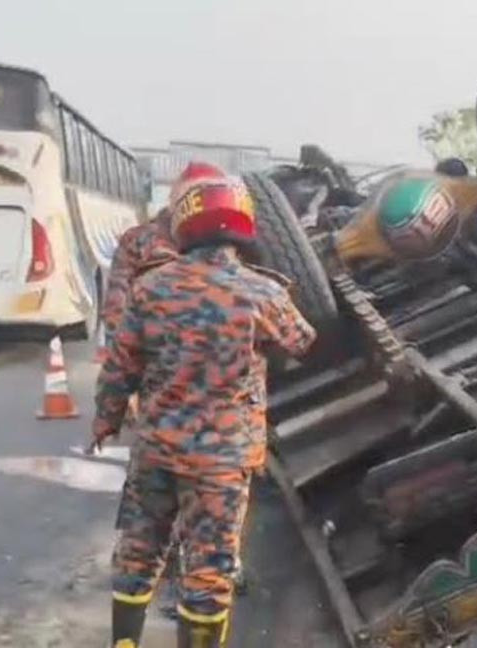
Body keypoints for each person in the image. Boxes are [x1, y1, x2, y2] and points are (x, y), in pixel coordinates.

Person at [90, 164, 316, 647]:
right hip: (222, 462)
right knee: (209, 570)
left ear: (185, 223)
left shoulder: (150, 287)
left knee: (138, 552)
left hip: (156, 450)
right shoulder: (263, 292)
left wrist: (105, 421)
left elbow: (119, 368)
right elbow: (303, 342)